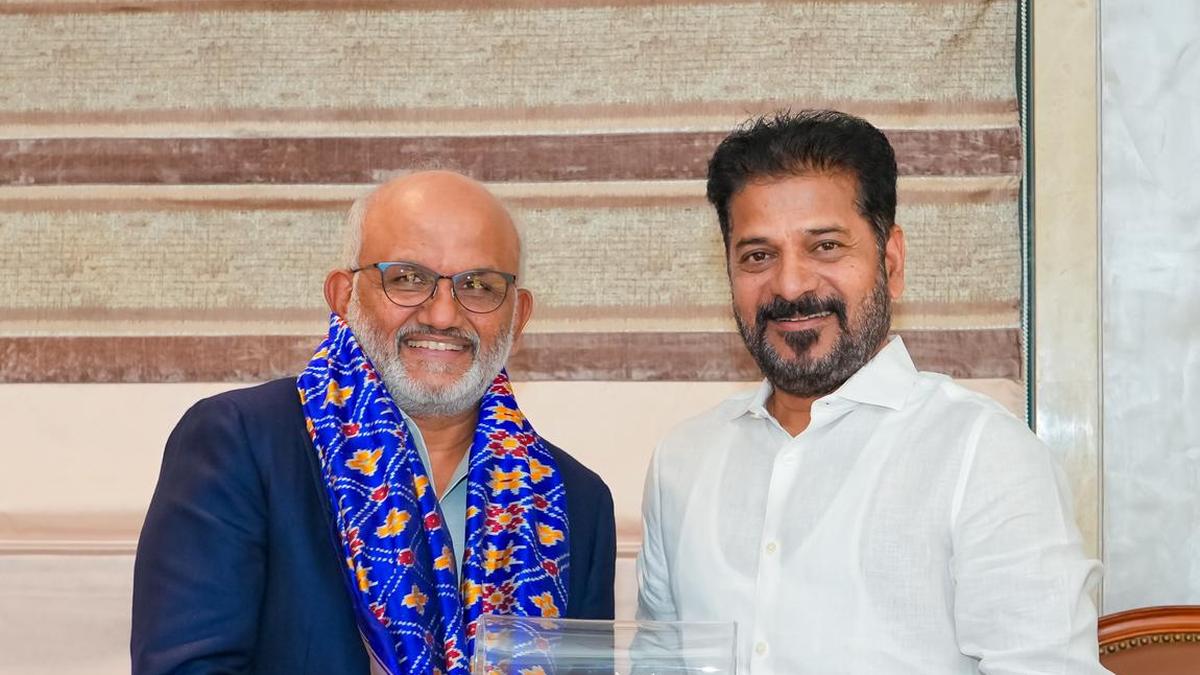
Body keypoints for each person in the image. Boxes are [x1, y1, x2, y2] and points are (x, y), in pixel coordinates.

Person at [636, 111, 1108, 674]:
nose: (790, 285)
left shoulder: (984, 455)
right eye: (758, 256)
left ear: (891, 262)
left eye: (826, 246)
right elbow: (656, 665)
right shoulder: (682, 461)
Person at [133, 171, 616, 675]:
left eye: (478, 286)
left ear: (518, 317)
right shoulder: (241, 444)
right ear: (344, 295)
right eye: (407, 278)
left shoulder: (575, 502)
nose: (443, 315)